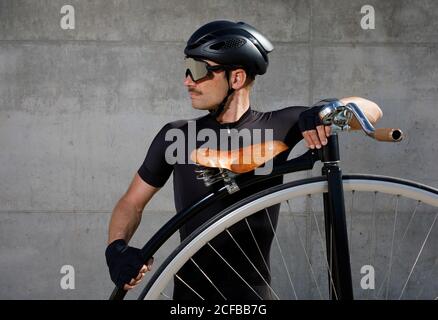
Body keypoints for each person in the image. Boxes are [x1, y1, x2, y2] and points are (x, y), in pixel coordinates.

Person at [105, 20, 383, 300]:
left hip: (253, 298)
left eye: (200, 70)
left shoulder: (281, 125)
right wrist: (116, 247)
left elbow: (371, 112)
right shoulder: (176, 135)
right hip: (188, 300)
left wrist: (329, 109)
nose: (187, 80)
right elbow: (132, 203)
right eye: (187, 68)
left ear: (236, 78)